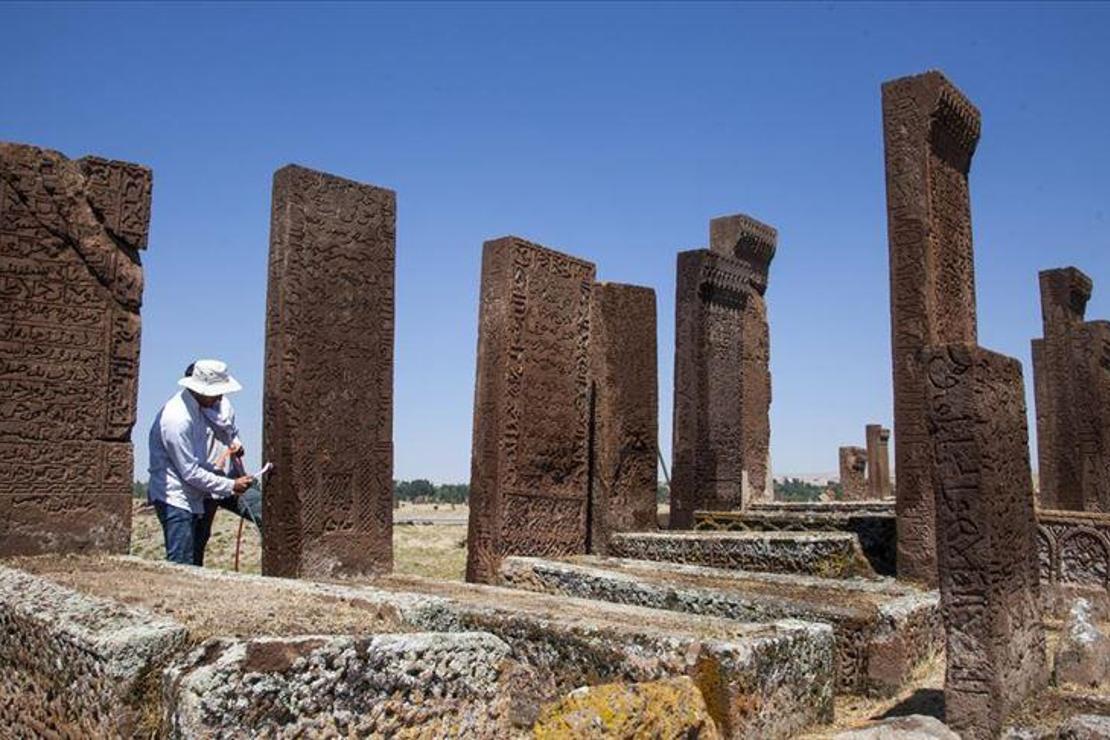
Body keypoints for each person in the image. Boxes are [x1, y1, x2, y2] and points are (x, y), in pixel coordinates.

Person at [148, 359, 254, 566]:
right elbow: (190, 472)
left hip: (204, 489)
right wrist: (231, 485)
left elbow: (229, 432)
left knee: (195, 557)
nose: (221, 396)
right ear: (200, 390)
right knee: (182, 563)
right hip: (177, 496)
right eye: (216, 392)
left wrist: (235, 444)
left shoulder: (208, 407)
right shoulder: (176, 419)